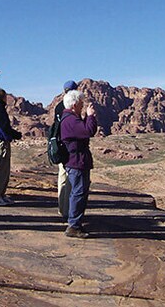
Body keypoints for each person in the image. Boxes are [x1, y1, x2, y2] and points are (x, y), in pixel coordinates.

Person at [61, 90, 98, 238]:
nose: (82, 107)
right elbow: (89, 131)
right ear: (75, 104)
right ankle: (73, 226)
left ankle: (75, 222)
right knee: (78, 193)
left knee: (78, 192)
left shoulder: (69, 118)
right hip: (77, 162)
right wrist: (90, 117)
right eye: (81, 104)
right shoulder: (70, 120)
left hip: (77, 161)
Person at [0, 89, 22, 206]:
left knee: (4, 168)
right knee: (2, 169)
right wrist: (16, 135)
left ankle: (1, 194)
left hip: (0, 140)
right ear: (4, 97)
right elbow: (5, 126)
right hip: (1, 141)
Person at [54, 80, 78, 219]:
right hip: (68, 146)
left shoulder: (58, 106)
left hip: (59, 144)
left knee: (62, 177)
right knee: (70, 178)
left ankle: (61, 208)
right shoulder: (71, 106)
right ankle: (68, 210)